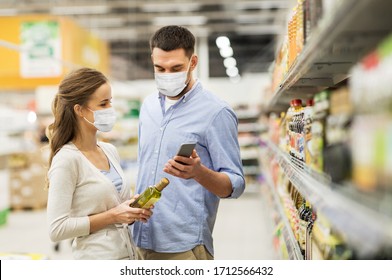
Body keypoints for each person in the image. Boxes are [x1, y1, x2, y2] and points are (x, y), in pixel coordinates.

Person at [133, 25, 245, 260]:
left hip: (183, 246)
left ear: (193, 63)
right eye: (159, 68)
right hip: (139, 237)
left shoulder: (216, 112)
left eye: (176, 68)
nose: (166, 75)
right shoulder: (148, 106)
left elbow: (235, 184)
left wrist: (199, 173)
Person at [46, 67, 152, 260]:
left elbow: (115, 207)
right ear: (79, 110)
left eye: (110, 102)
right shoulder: (67, 160)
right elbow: (57, 229)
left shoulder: (109, 150)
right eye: (103, 104)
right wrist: (114, 215)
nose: (110, 110)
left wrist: (131, 209)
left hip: (127, 255)